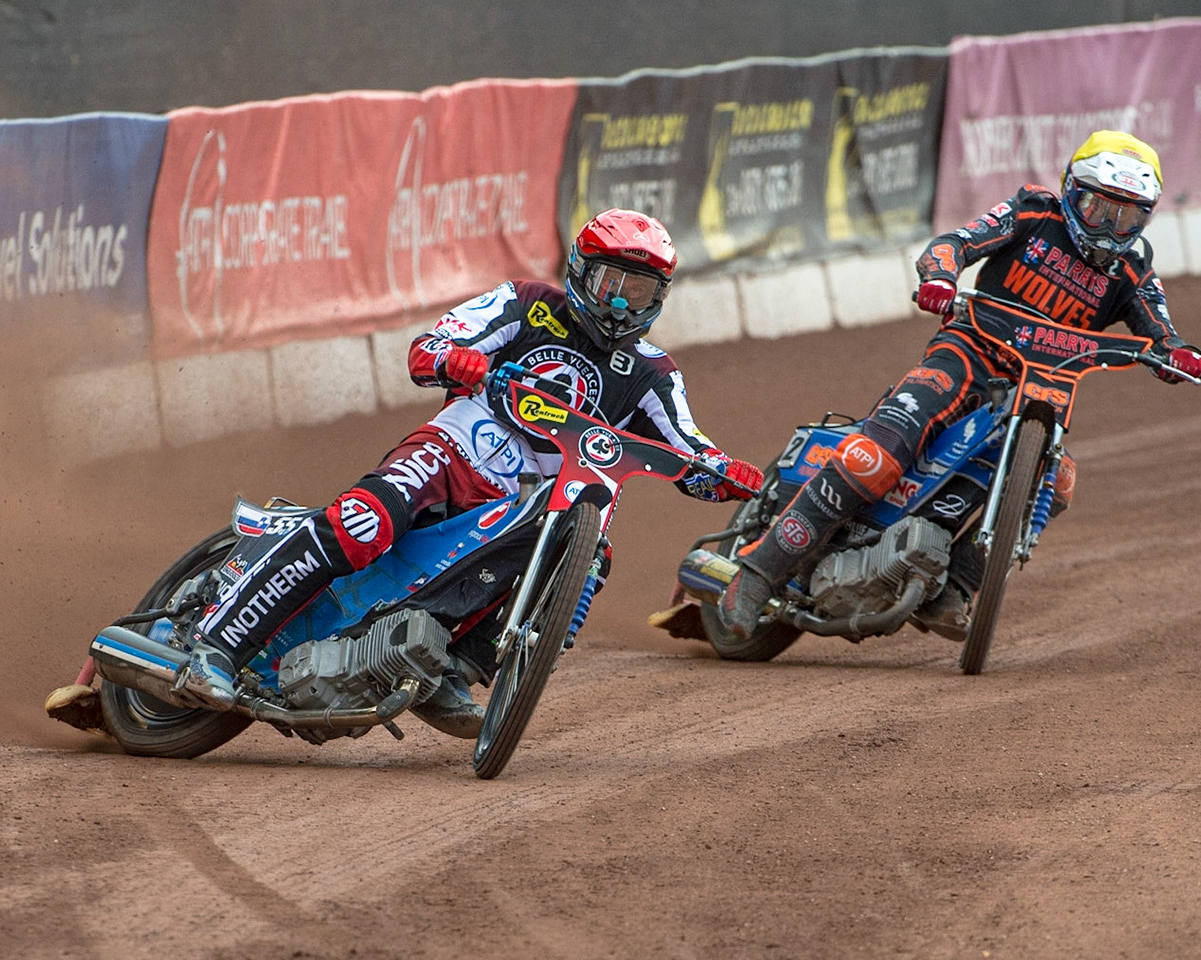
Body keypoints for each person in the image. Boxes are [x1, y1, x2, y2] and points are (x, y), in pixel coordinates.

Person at [178, 209, 763, 736]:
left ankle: (453, 666)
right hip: (454, 452)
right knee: (362, 523)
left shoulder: (653, 373)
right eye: (612, 284)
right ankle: (216, 645)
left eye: (639, 292)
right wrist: (455, 359)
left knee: (587, 558)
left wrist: (727, 473)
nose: (620, 306)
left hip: (525, 504)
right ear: (582, 272)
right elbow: (428, 348)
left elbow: (690, 447)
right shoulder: (527, 302)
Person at [712, 130, 1201, 641]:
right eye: (1098, 207)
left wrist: (1177, 354)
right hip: (968, 353)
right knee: (877, 455)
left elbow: (1163, 331)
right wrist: (941, 276)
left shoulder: (1133, 268)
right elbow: (956, 243)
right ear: (1070, 190)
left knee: (1057, 482)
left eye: (1126, 216)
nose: (1108, 226)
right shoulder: (1034, 212)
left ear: (1145, 218)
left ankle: (959, 587)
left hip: (1042, 388)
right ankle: (756, 573)